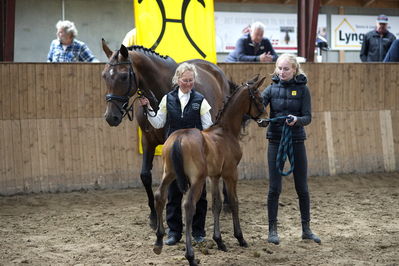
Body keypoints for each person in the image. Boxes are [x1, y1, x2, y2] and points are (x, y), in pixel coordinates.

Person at [139, 63, 210, 245]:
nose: (188, 84)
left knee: (199, 194)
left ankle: (198, 231)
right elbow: (158, 122)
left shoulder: (201, 100)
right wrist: (148, 109)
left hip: (194, 153)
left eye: (191, 80)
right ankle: (174, 232)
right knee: (173, 192)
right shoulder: (167, 99)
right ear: (177, 80)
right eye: (185, 80)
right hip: (174, 153)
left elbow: (207, 127)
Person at [259, 53, 320, 245]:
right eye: (280, 68)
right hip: (276, 140)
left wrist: (297, 120)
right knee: (274, 188)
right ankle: (272, 230)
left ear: (294, 70)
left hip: (296, 141)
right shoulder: (270, 89)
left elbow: (307, 117)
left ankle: (306, 229)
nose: (282, 72)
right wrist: (261, 121)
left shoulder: (303, 90)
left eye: (286, 69)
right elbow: (258, 110)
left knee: (302, 187)